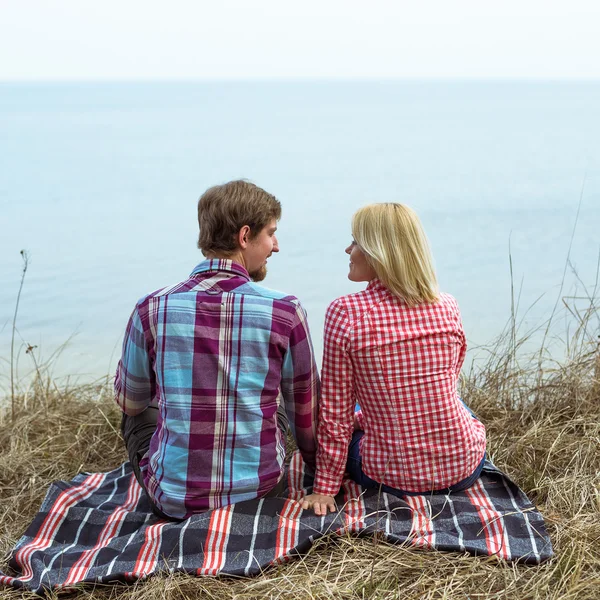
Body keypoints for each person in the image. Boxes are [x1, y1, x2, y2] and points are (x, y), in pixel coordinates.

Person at [115, 180, 319, 520]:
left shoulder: (150, 309)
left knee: (139, 398)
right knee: (282, 395)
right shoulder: (286, 311)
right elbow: (305, 417)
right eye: (271, 234)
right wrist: (317, 470)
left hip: (174, 501)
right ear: (244, 236)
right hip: (261, 494)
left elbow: (131, 402)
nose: (276, 246)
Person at [302, 203, 486, 515]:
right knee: (452, 398)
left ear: (378, 252)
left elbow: (336, 411)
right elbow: (448, 381)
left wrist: (324, 488)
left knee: (356, 409)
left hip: (391, 476)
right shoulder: (447, 305)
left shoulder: (345, 313)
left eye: (356, 242)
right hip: (465, 467)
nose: (348, 249)